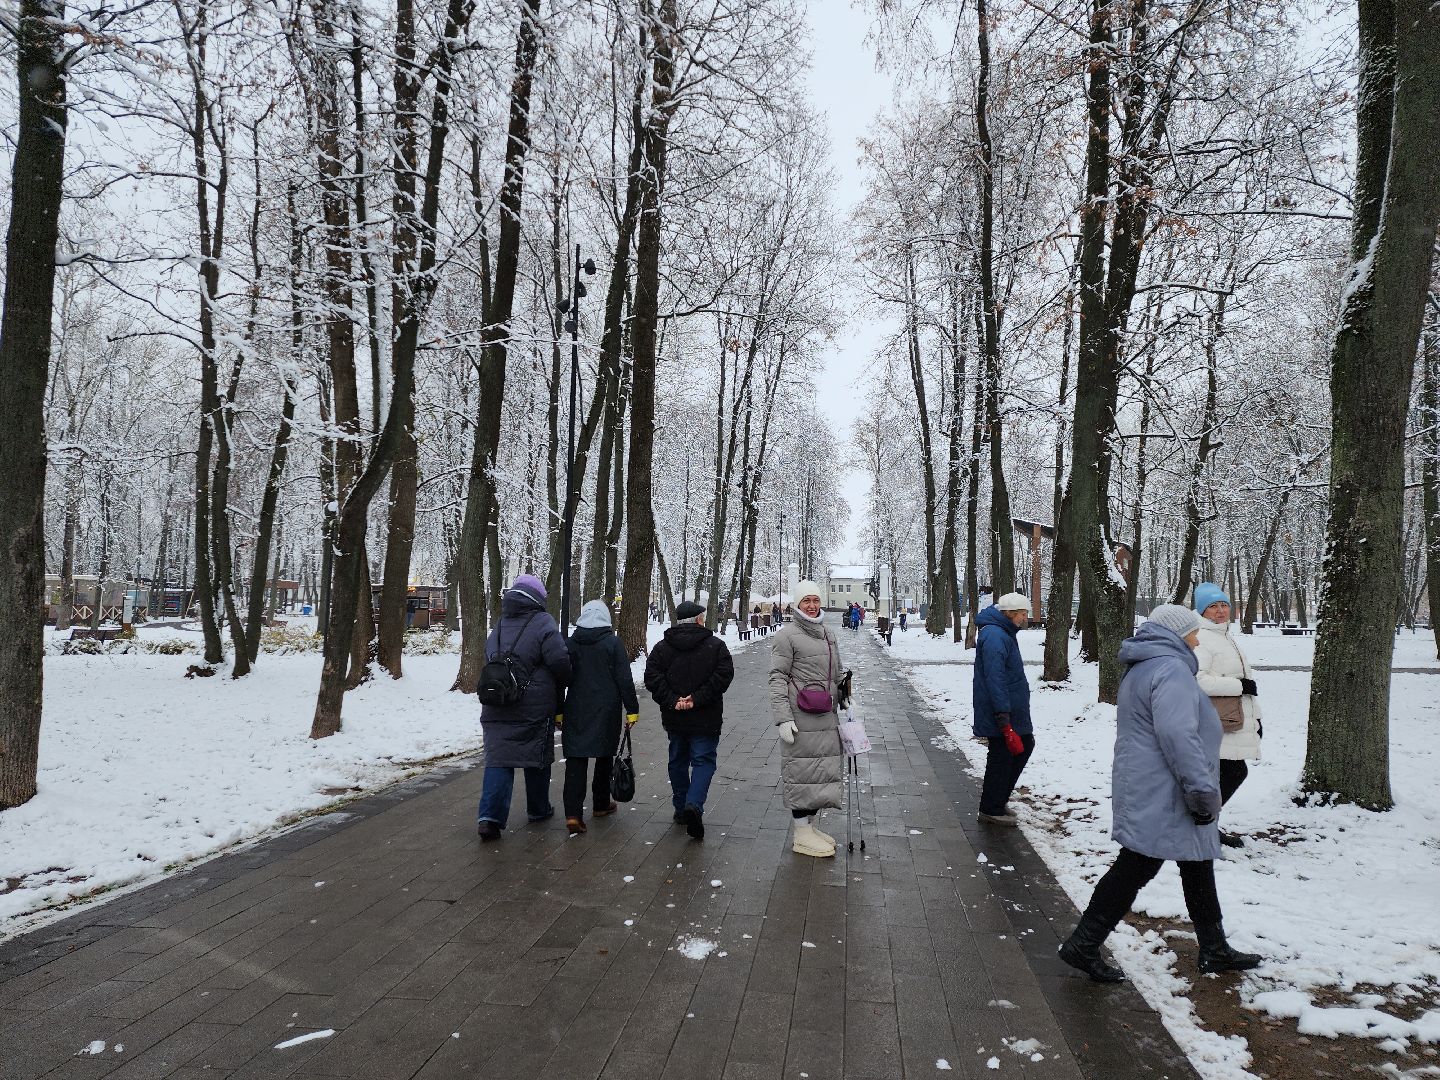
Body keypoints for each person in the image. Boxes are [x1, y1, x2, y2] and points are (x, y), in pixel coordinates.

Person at [1058, 605, 1263, 982]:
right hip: (1168, 788)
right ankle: (1083, 944)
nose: (1197, 638)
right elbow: (1179, 736)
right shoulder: (1170, 670)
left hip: (1151, 782)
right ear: (1176, 633)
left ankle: (1214, 948)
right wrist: (1202, 791)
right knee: (1136, 865)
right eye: (1192, 631)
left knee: (1196, 863)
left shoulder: (1146, 666)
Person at [476, 574, 571, 842]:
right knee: (537, 758)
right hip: (533, 707)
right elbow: (559, 661)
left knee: (498, 761)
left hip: (497, 704)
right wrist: (567, 680)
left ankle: (489, 819)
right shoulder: (543, 623)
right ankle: (539, 809)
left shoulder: (500, 624)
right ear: (538, 598)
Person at [644, 600, 735, 840]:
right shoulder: (716, 646)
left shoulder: (662, 648)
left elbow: (652, 678)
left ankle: (681, 808)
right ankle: (693, 804)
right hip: (706, 716)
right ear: (698, 620)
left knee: (677, 760)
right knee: (703, 761)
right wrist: (697, 698)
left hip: (675, 717)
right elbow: (723, 676)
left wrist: (673, 699)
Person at [770, 580, 845, 857]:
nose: (812, 606)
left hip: (826, 716)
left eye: (815, 600)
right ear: (797, 604)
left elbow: (835, 672)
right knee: (802, 773)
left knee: (819, 774)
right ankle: (801, 833)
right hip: (800, 718)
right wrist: (782, 718)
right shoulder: (786, 636)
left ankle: (809, 828)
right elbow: (776, 677)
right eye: (806, 601)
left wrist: (845, 694)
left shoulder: (828, 634)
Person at [560, 600, 639, 835]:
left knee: (576, 759)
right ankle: (601, 804)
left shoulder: (571, 644)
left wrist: (558, 710)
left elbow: (561, 677)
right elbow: (624, 678)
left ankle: (573, 814)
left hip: (575, 708)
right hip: (606, 708)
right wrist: (632, 710)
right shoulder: (613, 643)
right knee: (604, 756)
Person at [1192, 583, 1262, 849]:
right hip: (1215, 721)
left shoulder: (1223, 636)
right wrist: (1239, 686)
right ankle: (1200, 824)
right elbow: (1197, 679)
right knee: (1230, 773)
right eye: (1213, 606)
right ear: (1202, 610)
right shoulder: (1202, 638)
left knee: (1223, 775)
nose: (1220, 611)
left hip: (1232, 719)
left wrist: (1257, 720)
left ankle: (1205, 825)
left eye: (1224, 605)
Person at [972, 593, 1034, 825]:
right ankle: (991, 807)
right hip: (1001, 708)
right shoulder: (996, 635)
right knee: (1002, 754)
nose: (1024, 618)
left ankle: (996, 801)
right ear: (1011, 613)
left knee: (1021, 746)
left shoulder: (1001, 632)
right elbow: (995, 678)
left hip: (1009, 706)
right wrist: (1002, 714)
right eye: (1023, 614)